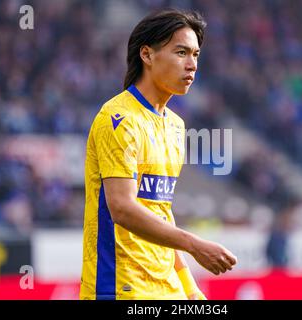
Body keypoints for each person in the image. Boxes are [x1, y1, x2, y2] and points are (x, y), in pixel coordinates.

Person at [80, 9, 237, 300]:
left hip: (166, 289)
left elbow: (160, 213)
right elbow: (122, 208)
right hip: (119, 287)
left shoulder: (176, 126)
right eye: (181, 52)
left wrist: (190, 288)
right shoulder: (118, 118)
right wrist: (194, 244)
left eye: (196, 55)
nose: (192, 65)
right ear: (147, 55)